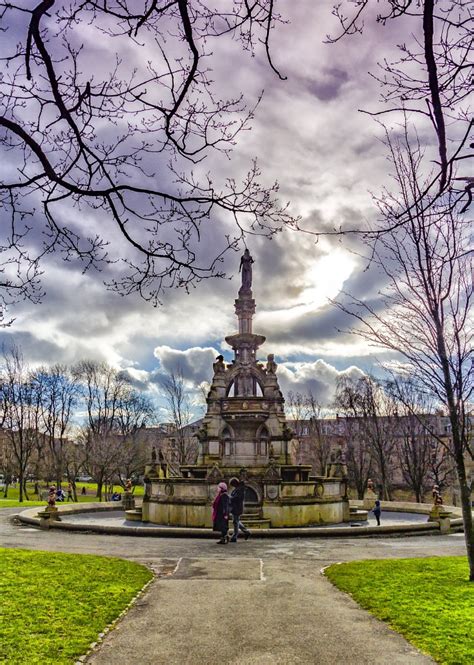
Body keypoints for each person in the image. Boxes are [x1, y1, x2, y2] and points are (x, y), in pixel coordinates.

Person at [229, 477, 250, 542]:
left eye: (232, 485)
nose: (232, 486)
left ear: (234, 483)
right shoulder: (238, 489)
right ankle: (246, 532)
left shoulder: (240, 489)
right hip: (235, 507)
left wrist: (230, 498)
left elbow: (238, 498)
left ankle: (234, 537)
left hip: (237, 507)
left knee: (235, 522)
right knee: (236, 521)